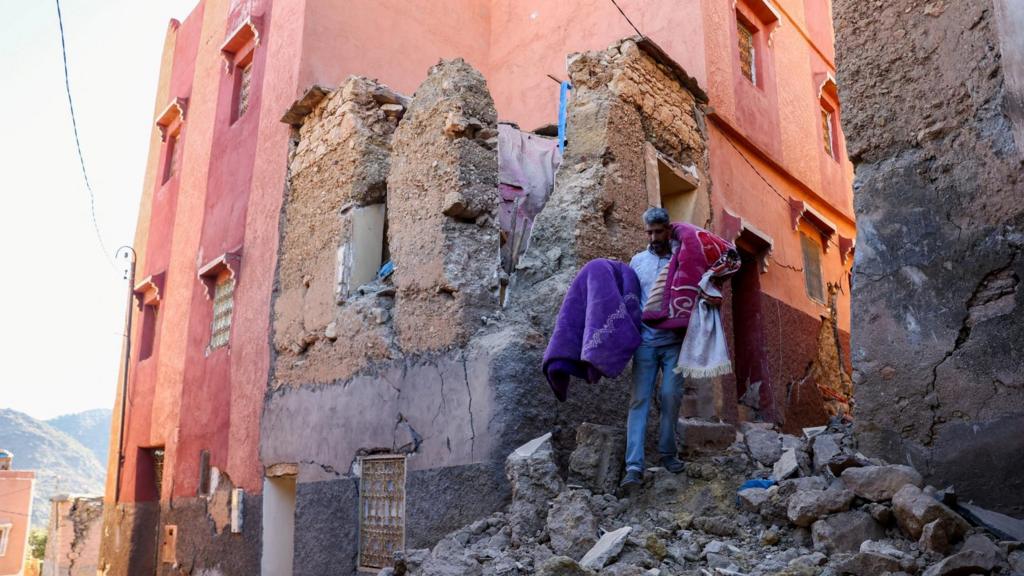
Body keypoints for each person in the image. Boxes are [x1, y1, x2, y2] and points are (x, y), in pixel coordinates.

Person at [621, 207, 686, 487]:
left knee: (671, 396)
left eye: (658, 231)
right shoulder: (637, 262)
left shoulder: (682, 259)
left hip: (674, 343)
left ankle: (668, 453)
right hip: (645, 342)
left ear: (668, 230)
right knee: (639, 401)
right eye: (649, 232)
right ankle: (634, 465)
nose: (653, 237)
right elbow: (631, 299)